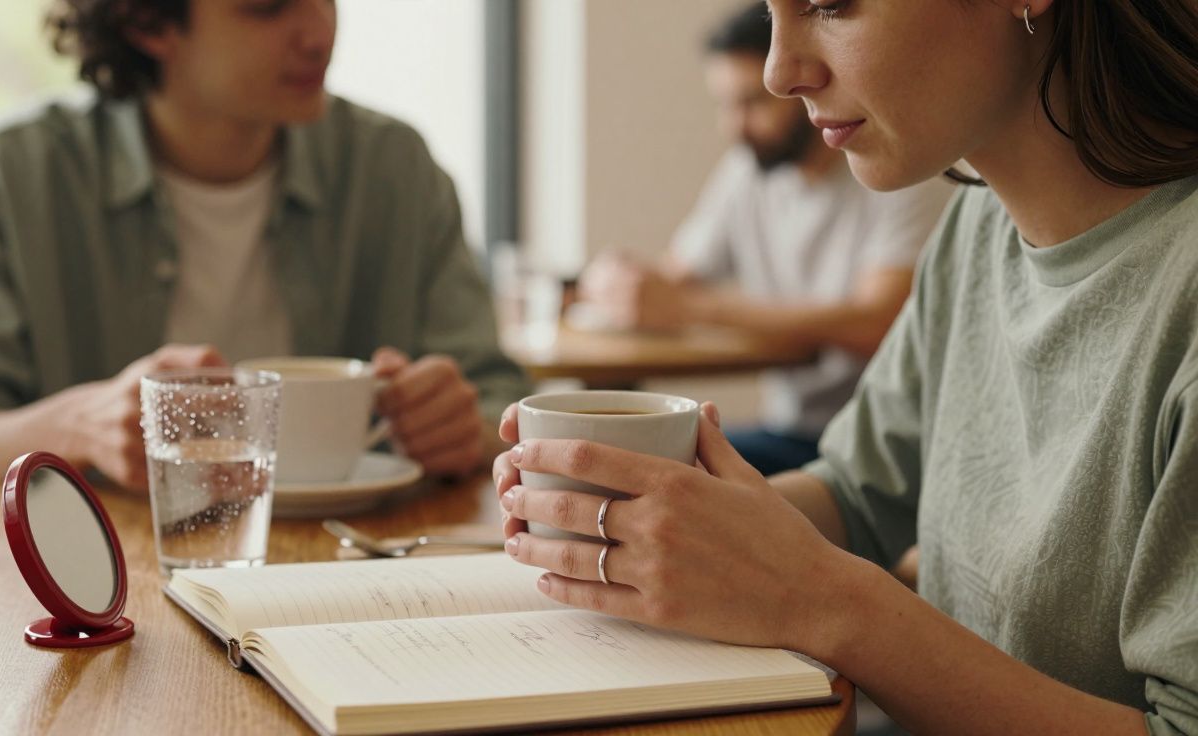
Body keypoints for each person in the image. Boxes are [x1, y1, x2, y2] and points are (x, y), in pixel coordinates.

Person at [494, 1, 1198, 733]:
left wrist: (825, 602)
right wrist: (655, 527)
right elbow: (856, 495)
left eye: (830, 5)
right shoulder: (979, 228)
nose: (779, 73)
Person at [0, 0, 530, 489]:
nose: (320, 32)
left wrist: (463, 428)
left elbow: (501, 404)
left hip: (357, 575)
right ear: (148, 24)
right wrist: (80, 426)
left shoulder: (393, 169)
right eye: (268, 5)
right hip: (101, 590)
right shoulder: (12, 177)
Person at [578, 3, 953, 475]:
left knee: (658, 471)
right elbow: (672, 279)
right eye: (725, 105)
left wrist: (692, 307)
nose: (733, 126)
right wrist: (616, 279)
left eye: (752, 102)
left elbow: (877, 321)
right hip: (789, 428)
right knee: (628, 462)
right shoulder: (749, 173)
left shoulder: (894, 169)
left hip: (878, 448)